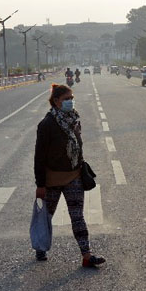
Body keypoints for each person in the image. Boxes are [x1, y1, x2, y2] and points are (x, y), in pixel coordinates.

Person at [34, 83, 105, 268]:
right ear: (56, 101)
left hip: (74, 177)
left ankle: (87, 255)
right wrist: (40, 184)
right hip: (52, 180)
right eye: (67, 99)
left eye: (72, 98)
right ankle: (40, 247)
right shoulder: (47, 124)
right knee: (46, 216)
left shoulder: (74, 120)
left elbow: (78, 148)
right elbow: (39, 157)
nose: (71, 102)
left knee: (77, 217)